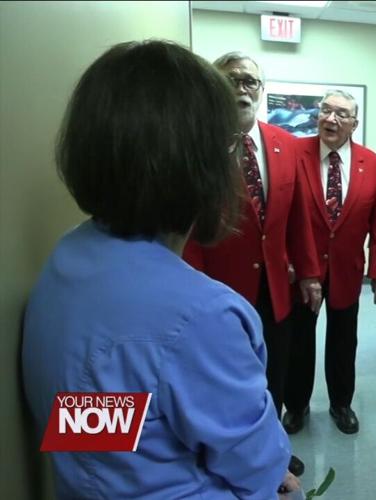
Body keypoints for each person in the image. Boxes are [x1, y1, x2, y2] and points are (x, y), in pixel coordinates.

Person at [20, 40, 299, 499]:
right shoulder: (203, 316)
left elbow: (92, 422)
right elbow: (258, 468)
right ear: (201, 166)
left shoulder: (66, 260)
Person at [182, 51, 322, 477]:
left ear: (262, 92)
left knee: (273, 377)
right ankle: (232, 453)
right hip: (218, 293)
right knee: (228, 380)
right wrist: (193, 294)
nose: (242, 89)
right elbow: (187, 229)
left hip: (276, 290)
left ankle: (272, 447)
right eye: (231, 80)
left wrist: (311, 273)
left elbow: (298, 217)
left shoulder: (286, 144)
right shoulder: (196, 148)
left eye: (250, 82)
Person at [282, 90, 376, 436]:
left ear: (354, 124)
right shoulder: (293, 155)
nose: (330, 119)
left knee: (344, 341)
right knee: (299, 341)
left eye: (341, 114)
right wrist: (289, 262)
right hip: (301, 272)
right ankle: (296, 406)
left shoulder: (374, 165)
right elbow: (280, 216)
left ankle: (341, 404)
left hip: (347, 270)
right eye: (326, 111)